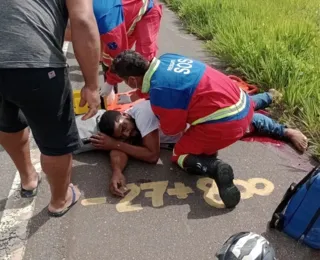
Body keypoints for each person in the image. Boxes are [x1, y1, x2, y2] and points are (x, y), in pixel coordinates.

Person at [87, 93, 307, 197]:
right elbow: (118, 149)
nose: (128, 132)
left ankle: (284, 129)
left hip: (201, 119)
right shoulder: (126, 137)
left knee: (243, 119)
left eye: (125, 126)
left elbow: (152, 156)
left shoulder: (141, 114)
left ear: (124, 114)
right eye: (122, 134)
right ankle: (268, 96)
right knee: (240, 108)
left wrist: (116, 143)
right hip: (193, 130)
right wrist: (115, 169)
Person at [0, 0, 101, 217]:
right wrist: (92, 85)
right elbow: (82, 20)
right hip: (36, 64)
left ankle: (28, 179)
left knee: (7, 123)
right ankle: (59, 200)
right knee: (56, 141)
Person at [65, 0, 162, 106]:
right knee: (106, 56)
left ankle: (149, 98)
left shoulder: (107, 23)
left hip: (145, 12)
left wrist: (111, 82)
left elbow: (120, 58)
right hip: (123, 15)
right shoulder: (76, 9)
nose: (73, 41)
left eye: (72, 39)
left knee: (143, 63)